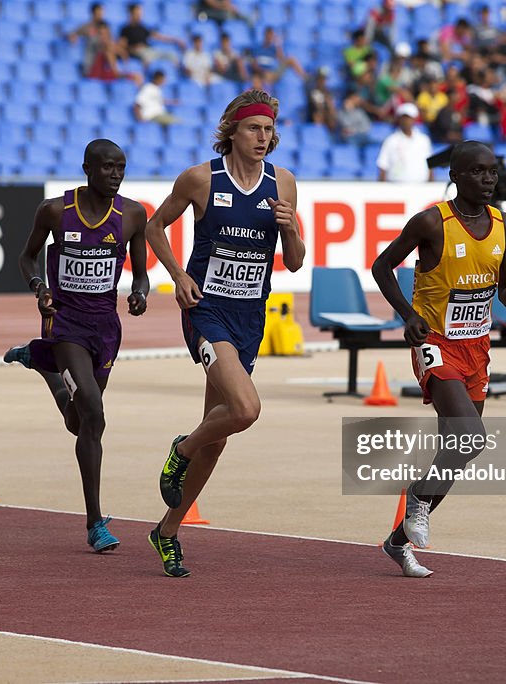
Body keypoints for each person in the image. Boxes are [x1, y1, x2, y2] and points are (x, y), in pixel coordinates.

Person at [144, 89, 305, 577]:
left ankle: (166, 531)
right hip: (206, 310)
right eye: (255, 128)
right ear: (232, 131)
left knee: (219, 436)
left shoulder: (283, 184)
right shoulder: (200, 179)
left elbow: (295, 263)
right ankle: (181, 449)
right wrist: (179, 275)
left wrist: (291, 228)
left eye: (270, 129)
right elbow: (155, 228)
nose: (264, 137)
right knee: (245, 409)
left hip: (249, 319)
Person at [371, 141, 506, 577]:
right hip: (435, 341)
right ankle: (418, 497)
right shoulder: (431, 222)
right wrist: (407, 316)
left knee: (456, 451)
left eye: (493, 172)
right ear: (456, 177)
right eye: (478, 172)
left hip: (476, 347)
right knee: (471, 436)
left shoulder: (505, 225)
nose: (488, 180)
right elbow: (382, 267)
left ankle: (397, 542)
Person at [3, 140, 149, 553]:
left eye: (121, 167)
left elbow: (140, 275)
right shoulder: (54, 211)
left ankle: (42, 364)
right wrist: (38, 287)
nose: (115, 174)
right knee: (94, 412)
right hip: (64, 323)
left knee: (79, 421)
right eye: (107, 167)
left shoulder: (133, 214)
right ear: (86, 168)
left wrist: (140, 294)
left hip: (105, 329)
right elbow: (27, 257)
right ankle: (94, 522)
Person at [376, 102, 433, 182]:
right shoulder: (391, 140)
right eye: (403, 118)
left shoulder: (424, 140)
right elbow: (383, 166)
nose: (406, 121)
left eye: (409, 118)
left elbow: (430, 166)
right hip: (396, 188)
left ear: (414, 119)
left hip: (421, 188)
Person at [118, 2, 185, 66]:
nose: (140, 16)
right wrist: (133, 48)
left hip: (149, 50)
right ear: (131, 14)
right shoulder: (125, 29)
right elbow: (122, 45)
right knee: (147, 58)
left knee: (172, 55)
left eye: (140, 14)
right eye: (137, 14)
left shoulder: (143, 27)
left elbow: (158, 36)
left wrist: (176, 40)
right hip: (138, 52)